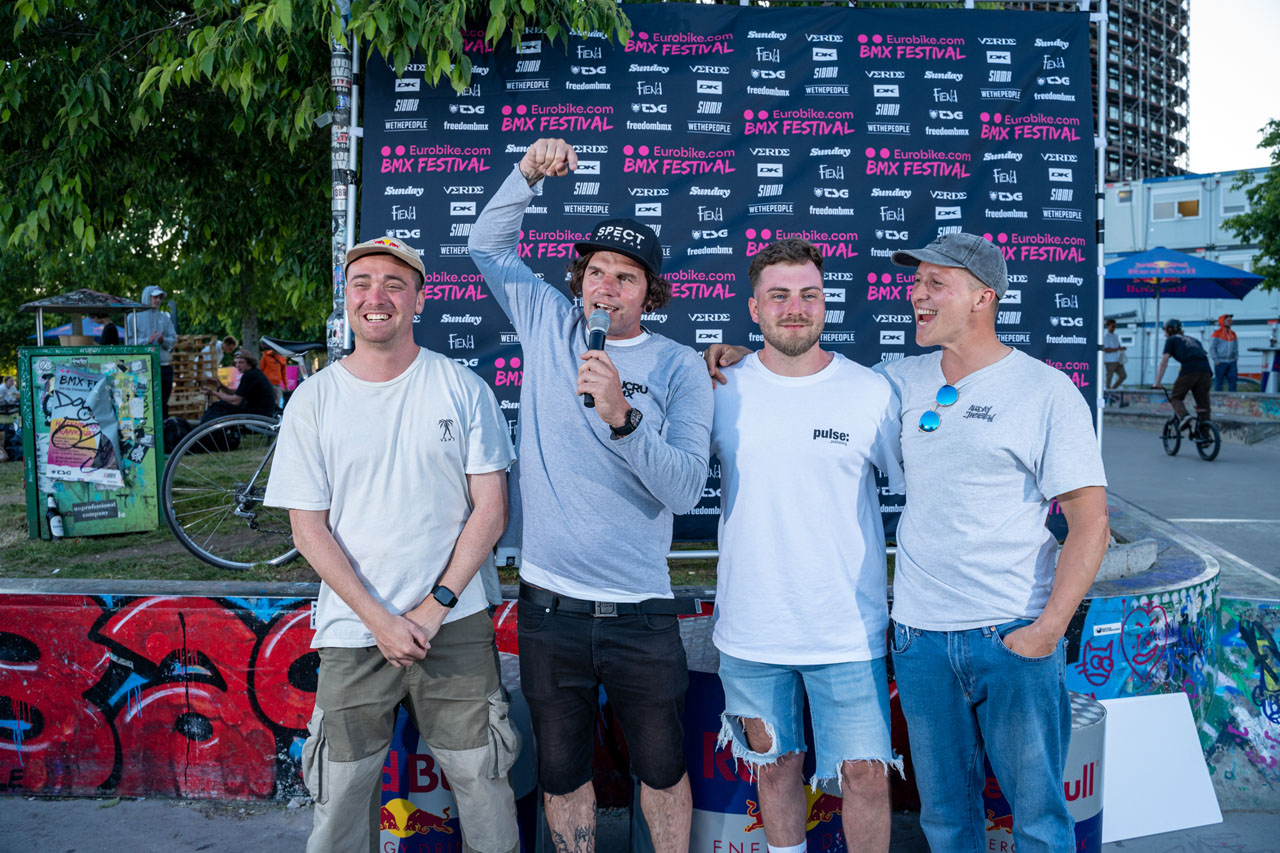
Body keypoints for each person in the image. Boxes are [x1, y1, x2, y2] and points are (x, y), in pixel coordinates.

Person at [706, 233, 1110, 852]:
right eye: (914, 283)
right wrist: (737, 354)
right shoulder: (898, 381)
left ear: (983, 297)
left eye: (933, 284)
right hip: (919, 640)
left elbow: (1091, 520)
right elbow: (799, 377)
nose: (916, 295)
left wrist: (1049, 629)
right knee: (946, 818)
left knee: (1037, 816)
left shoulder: (1044, 391)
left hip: (1013, 632)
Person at [469, 138, 712, 853]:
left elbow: (686, 486)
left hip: (641, 613)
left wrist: (623, 420)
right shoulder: (548, 320)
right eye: (596, 272)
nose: (606, 288)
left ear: (650, 291)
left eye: (625, 277)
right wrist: (525, 174)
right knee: (563, 769)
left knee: (663, 771)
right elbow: (487, 245)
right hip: (549, 608)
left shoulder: (678, 367)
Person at [264, 235, 521, 853]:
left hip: (453, 625)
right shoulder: (314, 400)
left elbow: (492, 511)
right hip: (354, 633)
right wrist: (379, 620)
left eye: (394, 284)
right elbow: (308, 529)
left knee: (482, 785)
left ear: (420, 300)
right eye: (362, 283)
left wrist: (434, 606)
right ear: (346, 299)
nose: (375, 297)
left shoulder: (462, 387)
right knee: (341, 799)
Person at [709, 238, 904, 853]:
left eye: (808, 295)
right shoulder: (718, 386)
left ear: (825, 303)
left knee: (866, 779)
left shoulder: (872, 393)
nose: (795, 308)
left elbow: (922, 491)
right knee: (774, 770)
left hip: (847, 629)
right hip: (751, 628)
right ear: (754, 308)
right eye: (779, 296)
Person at [126, 286, 177, 418]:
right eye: (155, 297)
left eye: (160, 297)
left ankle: (164, 433)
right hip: (142, 367)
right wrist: (147, 341)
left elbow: (173, 339)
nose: (158, 300)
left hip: (163, 365)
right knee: (143, 403)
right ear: (146, 297)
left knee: (163, 403)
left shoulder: (165, 317)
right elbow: (129, 343)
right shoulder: (133, 317)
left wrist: (162, 340)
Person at [1154, 318, 1213, 431]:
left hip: (1190, 370)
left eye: (1165, 330)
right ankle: (1205, 437)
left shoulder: (1171, 340)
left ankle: (1184, 416)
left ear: (1170, 330)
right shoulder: (1194, 339)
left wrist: (1157, 382)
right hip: (1206, 371)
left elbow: (1164, 361)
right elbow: (1202, 354)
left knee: (1175, 397)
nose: (1165, 333)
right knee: (1203, 406)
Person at [198, 350, 278, 423]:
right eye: (236, 363)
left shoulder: (250, 375)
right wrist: (220, 386)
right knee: (220, 405)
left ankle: (208, 432)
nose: (237, 365)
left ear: (249, 363)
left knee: (217, 406)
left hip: (258, 413)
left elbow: (235, 401)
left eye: (241, 362)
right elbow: (237, 393)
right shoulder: (253, 373)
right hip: (263, 412)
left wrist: (213, 393)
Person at [1209, 313, 1239, 392]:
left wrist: (1236, 357)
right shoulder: (1216, 333)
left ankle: (1232, 400)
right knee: (1219, 383)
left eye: (1230, 320)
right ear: (1222, 321)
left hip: (1232, 362)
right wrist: (1216, 360)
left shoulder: (1233, 334)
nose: (1230, 321)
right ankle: (1218, 402)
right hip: (1220, 363)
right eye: (1228, 320)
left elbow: (1236, 347)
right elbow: (1212, 348)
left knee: (1233, 383)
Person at [1102, 318, 1126, 389]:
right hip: (1109, 361)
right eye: (1113, 326)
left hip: (1116, 360)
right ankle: (1108, 392)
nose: (1114, 328)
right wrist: (1118, 349)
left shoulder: (1115, 336)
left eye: (1115, 326)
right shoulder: (1105, 337)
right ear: (1108, 326)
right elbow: (1106, 350)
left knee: (1123, 375)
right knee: (1109, 377)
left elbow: (1117, 346)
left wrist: (1121, 348)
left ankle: (1113, 389)